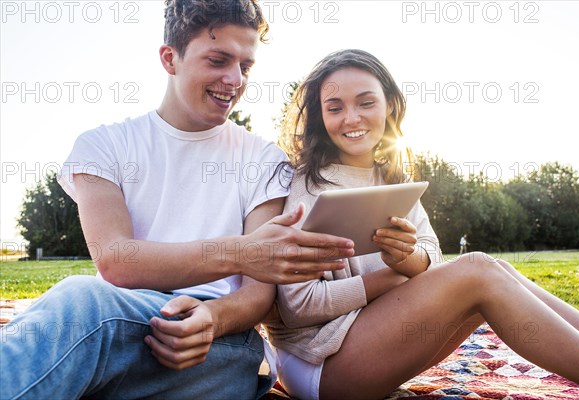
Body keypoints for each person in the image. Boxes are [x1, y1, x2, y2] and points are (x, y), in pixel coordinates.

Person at [0, 2, 355, 399]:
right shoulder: (102, 146)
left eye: (246, 66)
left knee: (70, 320)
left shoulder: (263, 159)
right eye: (219, 60)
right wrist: (243, 252)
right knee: (72, 315)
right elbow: (117, 260)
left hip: (220, 343)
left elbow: (258, 294)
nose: (234, 80)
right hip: (116, 323)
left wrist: (212, 318)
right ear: (170, 59)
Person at [264, 49, 579, 400]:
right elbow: (298, 307)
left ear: (390, 104)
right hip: (320, 367)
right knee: (478, 269)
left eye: (365, 103)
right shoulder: (308, 184)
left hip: (369, 345)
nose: (351, 118)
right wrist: (392, 276)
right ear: (320, 114)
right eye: (335, 108)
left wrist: (406, 261)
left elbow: (432, 257)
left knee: (495, 269)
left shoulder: (390, 178)